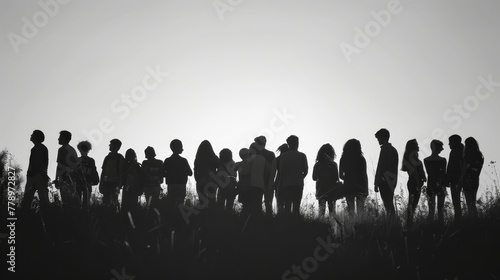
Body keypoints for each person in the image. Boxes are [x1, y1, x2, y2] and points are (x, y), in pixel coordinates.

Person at [278, 135, 308, 215]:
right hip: (298, 184)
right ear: (297, 143)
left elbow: (281, 171)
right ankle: (296, 223)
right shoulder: (302, 156)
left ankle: (287, 224)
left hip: (286, 184)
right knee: (296, 207)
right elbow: (305, 171)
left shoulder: (284, 156)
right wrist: (300, 177)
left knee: (287, 206)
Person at [21, 130, 50, 213]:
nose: (31, 136)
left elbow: (40, 163)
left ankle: (46, 216)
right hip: (35, 176)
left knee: (41, 198)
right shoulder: (35, 148)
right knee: (29, 198)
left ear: (36, 137)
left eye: (32, 135)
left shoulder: (39, 148)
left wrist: (40, 173)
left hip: (37, 176)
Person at [339, 139, 368, 215]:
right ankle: (360, 225)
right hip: (360, 185)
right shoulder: (361, 159)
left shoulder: (343, 159)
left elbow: (340, 175)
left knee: (351, 211)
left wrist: (348, 178)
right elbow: (364, 174)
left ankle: (351, 225)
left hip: (348, 186)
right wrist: (366, 189)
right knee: (360, 211)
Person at [401, 139, 426, 226]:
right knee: (412, 204)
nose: (418, 146)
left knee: (412, 203)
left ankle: (409, 221)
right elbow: (415, 172)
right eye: (417, 145)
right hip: (414, 183)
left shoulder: (411, 159)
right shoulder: (413, 160)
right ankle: (409, 222)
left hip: (413, 182)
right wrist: (419, 183)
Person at [374, 128, 399, 217]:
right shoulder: (393, 150)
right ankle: (393, 221)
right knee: (389, 203)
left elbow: (380, 167)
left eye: (378, 138)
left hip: (385, 181)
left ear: (383, 137)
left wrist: (377, 182)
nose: (378, 141)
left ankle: (392, 222)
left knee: (387, 204)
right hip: (392, 180)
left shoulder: (385, 149)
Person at [163, 139, 193, 207]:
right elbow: (190, 173)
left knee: (171, 203)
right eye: (181, 147)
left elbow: (162, 173)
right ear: (178, 148)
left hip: (171, 184)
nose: (182, 149)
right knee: (180, 204)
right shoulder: (183, 161)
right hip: (181, 184)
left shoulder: (167, 160)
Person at [312, 144, 339, 219]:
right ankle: (333, 228)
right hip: (332, 189)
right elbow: (336, 178)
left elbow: (314, 178)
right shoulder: (334, 165)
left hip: (321, 189)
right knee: (332, 211)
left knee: (321, 211)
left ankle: (321, 227)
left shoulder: (317, 164)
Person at [55, 130, 80, 210]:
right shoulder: (72, 150)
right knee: (71, 201)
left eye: (59, 137)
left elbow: (59, 165)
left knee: (66, 202)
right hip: (71, 179)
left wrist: (57, 178)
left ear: (64, 138)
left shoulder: (62, 150)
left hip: (65, 178)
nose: (58, 139)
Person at [424, 140, 447, 224]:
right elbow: (444, 173)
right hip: (440, 185)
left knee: (431, 210)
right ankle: (440, 226)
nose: (442, 149)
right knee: (440, 209)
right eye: (441, 147)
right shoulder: (443, 160)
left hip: (431, 185)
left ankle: (431, 227)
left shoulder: (426, 160)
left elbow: (429, 172)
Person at [100, 139, 126, 210]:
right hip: (106, 182)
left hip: (115, 183)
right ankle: (106, 215)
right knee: (106, 201)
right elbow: (103, 171)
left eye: (110, 144)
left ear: (115, 146)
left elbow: (121, 172)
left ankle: (114, 214)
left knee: (114, 201)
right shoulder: (107, 157)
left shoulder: (120, 158)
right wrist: (101, 182)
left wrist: (120, 184)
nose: (109, 146)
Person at [194, 140, 220, 208]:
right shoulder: (214, 158)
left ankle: (203, 216)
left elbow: (195, 170)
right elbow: (219, 167)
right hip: (212, 181)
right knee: (212, 201)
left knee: (202, 203)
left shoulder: (198, 159)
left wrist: (197, 179)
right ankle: (211, 216)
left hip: (201, 181)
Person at [462, 137, 484, 217]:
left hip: (467, 179)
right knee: (473, 200)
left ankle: (472, 218)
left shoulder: (467, 156)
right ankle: (475, 217)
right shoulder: (480, 156)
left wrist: (462, 179)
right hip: (475, 179)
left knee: (469, 201)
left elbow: (464, 169)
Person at [254, 136, 276, 216]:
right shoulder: (271, 154)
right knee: (268, 204)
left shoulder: (254, 155)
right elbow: (273, 170)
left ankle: (258, 220)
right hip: (268, 181)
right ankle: (268, 220)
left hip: (257, 182)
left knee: (256, 204)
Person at [75, 141, 99, 213]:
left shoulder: (89, 161)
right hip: (82, 184)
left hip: (85, 184)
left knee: (83, 204)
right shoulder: (88, 160)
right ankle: (84, 218)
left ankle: (84, 218)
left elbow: (93, 171)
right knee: (82, 204)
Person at [447, 134, 464, 221]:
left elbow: (451, 167)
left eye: (450, 142)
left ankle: (458, 219)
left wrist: (448, 178)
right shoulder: (462, 151)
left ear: (454, 142)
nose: (449, 144)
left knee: (456, 201)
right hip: (459, 179)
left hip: (455, 179)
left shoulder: (455, 152)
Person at [121, 148, 142, 214]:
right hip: (127, 188)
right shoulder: (125, 166)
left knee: (132, 205)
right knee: (125, 205)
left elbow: (140, 179)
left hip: (134, 188)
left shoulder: (137, 166)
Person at [142, 146, 163, 211]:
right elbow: (161, 175)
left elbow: (143, 175)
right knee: (155, 203)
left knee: (149, 204)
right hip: (155, 185)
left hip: (148, 186)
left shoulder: (145, 163)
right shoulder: (159, 162)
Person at [216, 148, 237, 212]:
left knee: (220, 206)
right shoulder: (233, 164)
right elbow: (235, 175)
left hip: (222, 186)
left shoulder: (219, 164)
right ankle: (228, 219)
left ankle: (220, 219)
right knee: (229, 207)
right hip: (231, 186)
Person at [271, 143, 289, 214]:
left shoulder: (277, 159)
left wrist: (272, 184)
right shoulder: (289, 159)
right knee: (288, 202)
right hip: (288, 182)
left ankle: (279, 216)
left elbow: (273, 173)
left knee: (279, 202)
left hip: (278, 181)